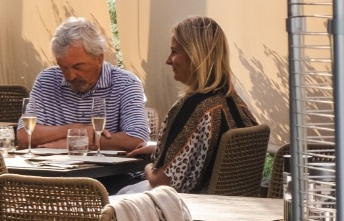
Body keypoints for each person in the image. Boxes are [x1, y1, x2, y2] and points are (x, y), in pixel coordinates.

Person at [125, 16, 254, 193]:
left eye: (174, 52)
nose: (168, 60)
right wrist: (159, 149)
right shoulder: (237, 105)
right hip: (231, 204)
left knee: (120, 194)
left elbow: (162, 182)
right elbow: (211, 153)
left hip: (190, 205)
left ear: (195, 55)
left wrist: (148, 166)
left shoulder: (191, 109)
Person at [18, 17, 148, 153]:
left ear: (99, 58)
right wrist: (76, 130)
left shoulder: (126, 83)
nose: (70, 76)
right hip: (50, 167)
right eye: (63, 68)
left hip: (106, 167)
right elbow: (24, 135)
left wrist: (73, 143)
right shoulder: (46, 80)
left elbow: (137, 139)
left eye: (78, 67)